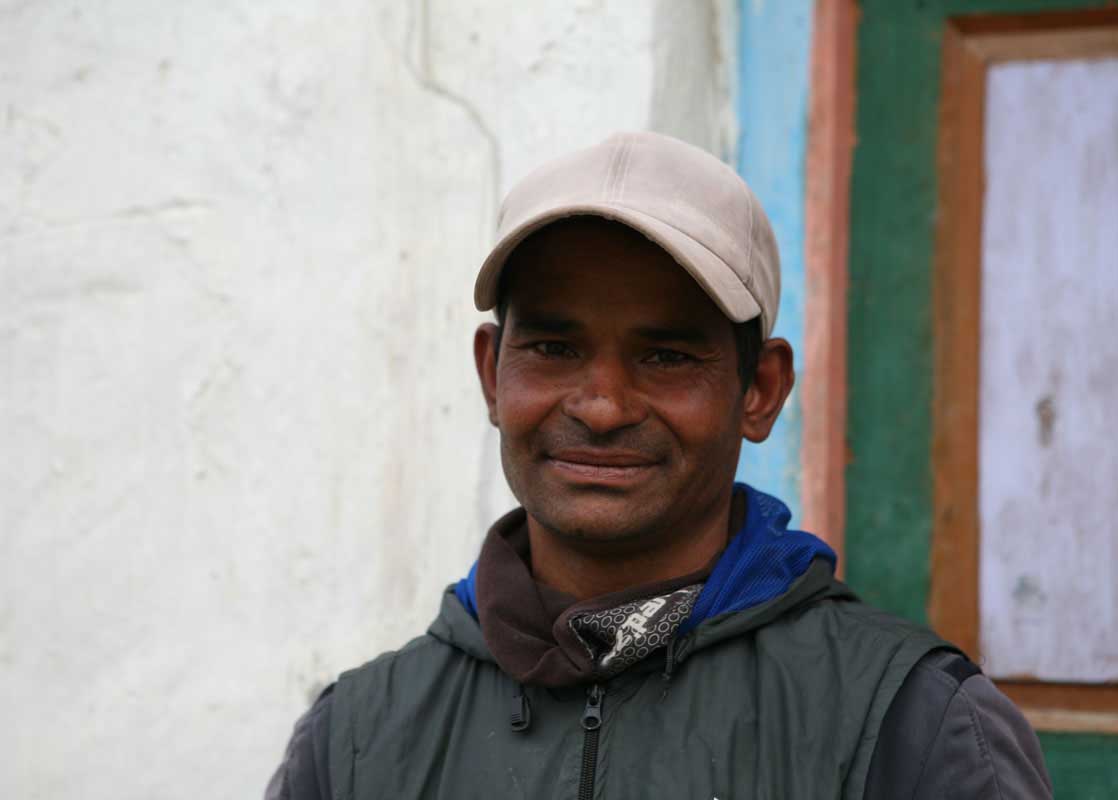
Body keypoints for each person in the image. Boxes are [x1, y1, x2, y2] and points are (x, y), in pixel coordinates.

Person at [265, 131, 1052, 799]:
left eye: (667, 355)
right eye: (554, 347)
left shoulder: (914, 727)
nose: (602, 406)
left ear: (760, 390)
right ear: (490, 375)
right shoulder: (355, 742)